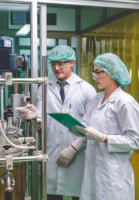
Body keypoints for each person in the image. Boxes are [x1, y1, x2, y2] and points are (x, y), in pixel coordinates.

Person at [16, 45, 96, 200]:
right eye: (53, 64)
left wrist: (74, 148)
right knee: (52, 194)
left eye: (61, 63)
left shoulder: (87, 90)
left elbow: (92, 127)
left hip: (78, 153)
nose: (56, 68)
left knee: (78, 195)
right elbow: (41, 118)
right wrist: (35, 117)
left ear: (72, 62)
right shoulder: (44, 87)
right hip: (52, 152)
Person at [73, 53, 139, 200]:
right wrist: (69, 119)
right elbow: (85, 126)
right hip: (93, 171)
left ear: (112, 73)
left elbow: (135, 140)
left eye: (98, 72)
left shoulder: (125, 102)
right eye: (94, 72)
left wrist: (103, 138)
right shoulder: (97, 99)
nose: (94, 77)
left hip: (113, 177)